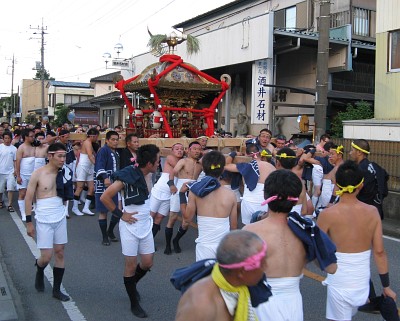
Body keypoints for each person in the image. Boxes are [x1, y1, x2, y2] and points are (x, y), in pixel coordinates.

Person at [244, 169, 337, 321]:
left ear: (265, 195)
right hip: (293, 303)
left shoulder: (250, 231)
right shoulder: (306, 230)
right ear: (295, 199)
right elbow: (331, 268)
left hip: (261, 303)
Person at [317, 161, 396, 321]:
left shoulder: (327, 215)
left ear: (337, 186)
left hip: (339, 280)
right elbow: (379, 252)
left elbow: (318, 249)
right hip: (362, 283)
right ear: (361, 185)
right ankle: (376, 303)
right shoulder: (372, 212)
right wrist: (386, 286)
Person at [100, 144, 160, 318]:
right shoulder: (127, 176)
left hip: (145, 224)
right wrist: (121, 214)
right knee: (131, 265)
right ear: (149, 163)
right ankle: (134, 302)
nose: (158, 164)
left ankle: (131, 285)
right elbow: (105, 197)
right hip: (130, 226)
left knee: (148, 262)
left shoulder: (148, 174)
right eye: (156, 161)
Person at [175, 230, 266, 321]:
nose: (266, 267)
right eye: (262, 264)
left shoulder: (237, 285)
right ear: (241, 272)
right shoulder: (199, 306)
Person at [25, 143, 73, 302]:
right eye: (59, 156)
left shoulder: (65, 172)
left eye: (64, 156)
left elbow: (68, 193)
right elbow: (28, 197)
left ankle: (56, 290)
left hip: (59, 214)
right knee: (46, 256)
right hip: (43, 216)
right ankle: (40, 269)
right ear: (50, 156)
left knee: (60, 251)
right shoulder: (38, 174)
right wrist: (29, 222)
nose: (62, 159)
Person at [183, 151, 238, 261]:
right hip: (223, 246)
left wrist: (181, 195)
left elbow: (187, 218)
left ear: (203, 168)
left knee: (204, 277)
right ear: (222, 169)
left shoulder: (195, 191)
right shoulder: (231, 195)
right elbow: (233, 227)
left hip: (204, 246)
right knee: (221, 277)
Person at [164, 141, 203, 254]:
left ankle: (176, 240)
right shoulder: (183, 161)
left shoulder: (200, 164)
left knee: (187, 221)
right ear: (189, 150)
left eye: (199, 149)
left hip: (193, 191)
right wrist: (171, 185)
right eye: (194, 148)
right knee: (172, 217)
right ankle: (167, 245)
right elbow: (173, 172)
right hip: (179, 188)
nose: (197, 151)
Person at [224, 143, 275, 225]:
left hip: (248, 203)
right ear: (259, 153)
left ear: (247, 155)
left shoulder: (246, 166)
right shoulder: (271, 167)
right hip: (266, 202)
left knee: (248, 231)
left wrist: (233, 154)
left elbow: (226, 165)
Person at [149, 143, 184, 238]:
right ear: (172, 151)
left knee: (159, 218)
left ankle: (150, 241)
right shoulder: (170, 158)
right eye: (177, 149)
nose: (179, 150)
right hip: (159, 191)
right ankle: (142, 238)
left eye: (182, 149)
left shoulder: (184, 161)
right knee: (150, 216)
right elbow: (182, 169)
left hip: (170, 194)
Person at [94, 131, 120, 246]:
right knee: (103, 211)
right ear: (107, 140)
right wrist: (104, 177)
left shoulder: (116, 152)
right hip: (103, 183)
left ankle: (110, 231)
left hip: (115, 183)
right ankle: (105, 236)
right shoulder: (103, 150)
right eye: (113, 139)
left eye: (117, 139)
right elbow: (99, 165)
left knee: (117, 210)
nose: (115, 142)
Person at [72, 128, 99, 216]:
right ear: (93, 136)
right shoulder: (87, 142)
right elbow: (90, 156)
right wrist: (97, 166)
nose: (97, 139)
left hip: (89, 167)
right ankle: (75, 207)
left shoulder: (90, 143)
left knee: (91, 188)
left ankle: (86, 208)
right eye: (96, 137)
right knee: (79, 187)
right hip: (83, 166)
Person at [15, 128, 36, 221]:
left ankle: (34, 209)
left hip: (33, 174)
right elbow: (17, 162)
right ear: (25, 137)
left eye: (33, 136)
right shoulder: (21, 147)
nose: (33, 138)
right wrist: (18, 176)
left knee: (33, 193)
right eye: (31, 136)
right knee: (22, 193)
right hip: (23, 174)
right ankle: (23, 213)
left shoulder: (34, 146)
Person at [0, 132, 17, 212]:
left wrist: (15, 170)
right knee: (0, 188)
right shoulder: (0, 147)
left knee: (10, 188)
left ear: (11, 139)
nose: (7, 140)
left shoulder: (14, 149)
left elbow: (15, 161)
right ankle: (0, 201)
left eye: (8, 138)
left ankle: (10, 204)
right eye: (5, 138)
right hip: (1, 171)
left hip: (10, 172)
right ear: (3, 139)